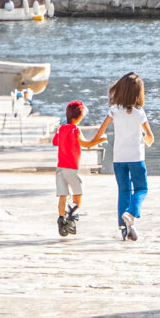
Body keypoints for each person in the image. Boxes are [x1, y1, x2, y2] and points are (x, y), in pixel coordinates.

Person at [83, 72, 154, 241]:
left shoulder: (113, 111)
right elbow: (150, 136)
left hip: (119, 159)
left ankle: (124, 228)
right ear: (139, 93)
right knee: (141, 189)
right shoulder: (139, 112)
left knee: (123, 191)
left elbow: (99, 132)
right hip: (136, 158)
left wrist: (94, 141)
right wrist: (146, 141)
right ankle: (131, 213)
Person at [50, 99, 93, 236]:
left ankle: (61, 219)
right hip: (71, 168)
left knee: (62, 195)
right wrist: (100, 139)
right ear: (79, 117)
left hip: (60, 169)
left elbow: (55, 142)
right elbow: (85, 144)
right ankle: (72, 215)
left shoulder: (61, 129)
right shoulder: (75, 129)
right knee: (78, 193)